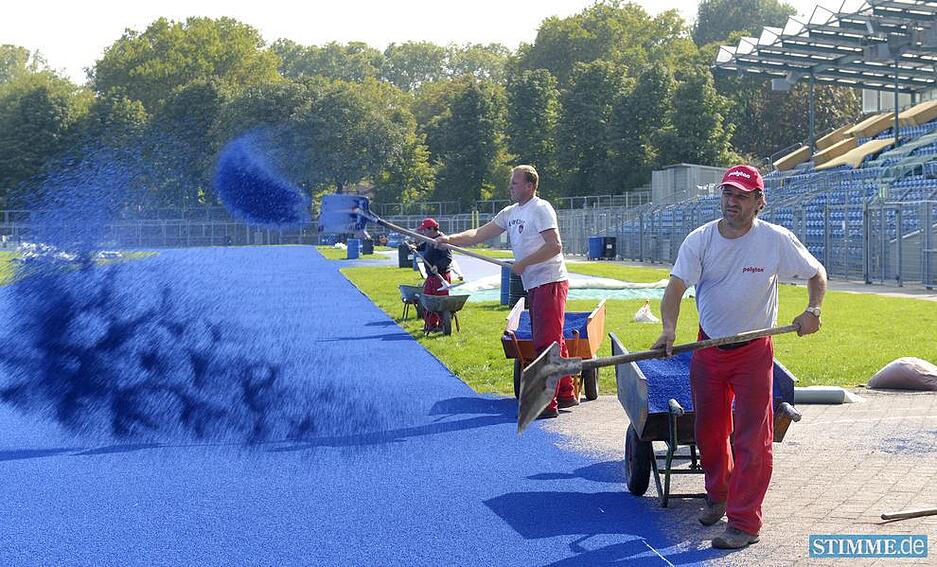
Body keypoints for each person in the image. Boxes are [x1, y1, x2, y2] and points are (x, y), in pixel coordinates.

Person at [650, 164, 827, 549]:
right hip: (708, 348)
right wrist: (668, 329)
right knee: (709, 433)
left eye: (742, 196)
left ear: (759, 202)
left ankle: (745, 522)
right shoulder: (700, 240)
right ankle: (719, 494)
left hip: (753, 353)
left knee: (753, 439)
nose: (732, 202)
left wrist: (813, 311)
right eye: (728, 194)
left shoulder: (776, 240)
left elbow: (817, 274)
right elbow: (676, 286)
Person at [437, 165, 574, 418]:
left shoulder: (541, 209)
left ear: (529, 186)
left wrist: (524, 263)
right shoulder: (510, 212)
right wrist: (450, 240)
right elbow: (479, 233)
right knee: (553, 338)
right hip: (533, 283)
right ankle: (566, 393)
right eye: (511, 183)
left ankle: (547, 403)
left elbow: (555, 246)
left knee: (546, 342)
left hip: (550, 281)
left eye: (514, 183)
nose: (510, 187)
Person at [415, 218, 453, 332]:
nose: (423, 233)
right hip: (431, 276)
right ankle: (431, 325)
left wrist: (437, 265)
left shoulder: (442, 240)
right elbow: (424, 246)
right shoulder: (429, 239)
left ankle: (443, 325)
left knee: (440, 301)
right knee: (428, 300)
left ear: (432, 229)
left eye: (425, 230)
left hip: (440, 277)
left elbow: (448, 258)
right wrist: (415, 247)